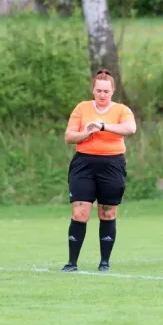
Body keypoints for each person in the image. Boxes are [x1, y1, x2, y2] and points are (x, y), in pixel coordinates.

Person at [61, 69, 137, 272]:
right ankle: (72, 263)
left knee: (108, 212)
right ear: (93, 90)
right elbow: (69, 136)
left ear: (112, 91)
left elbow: (130, 129)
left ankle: (104, 262)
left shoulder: (121, 110)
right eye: (98, 90)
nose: (102, 95)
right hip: (84, 164)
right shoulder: (82, 108)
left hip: (112, 164)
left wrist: (103, 126)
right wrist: (86, 133)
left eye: (106, 91)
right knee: (80, 212)